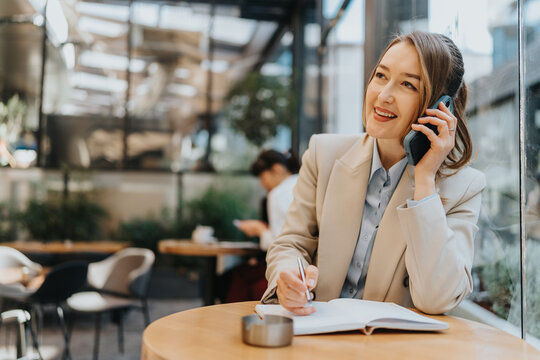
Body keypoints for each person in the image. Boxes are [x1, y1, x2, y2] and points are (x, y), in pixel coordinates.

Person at [261, 31, 486, 316]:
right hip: (316, 335)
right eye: (381, 76)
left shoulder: (463, 187)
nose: (384, 94)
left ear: (439, 107)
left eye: (407, 84)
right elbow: (291, 243)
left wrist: (425, 181)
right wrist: (288, 277)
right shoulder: (324, 153)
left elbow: (436, 298)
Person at [220, 150, 300, 302]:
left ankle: (234, 320)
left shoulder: (278, 194)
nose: (262, 183)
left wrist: (260, 230)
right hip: (306, 265)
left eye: (263, 177)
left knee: (234, 277)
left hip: (287, 266)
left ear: (277, 169)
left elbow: (279, 244)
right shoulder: (302, 185)